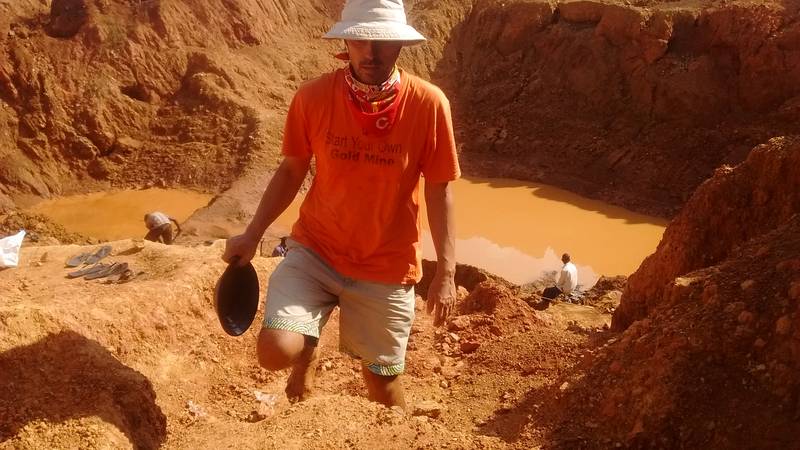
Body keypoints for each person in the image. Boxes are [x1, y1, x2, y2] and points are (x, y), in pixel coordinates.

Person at [222, 0, 459, 409]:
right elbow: (291, 171)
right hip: (317, 250)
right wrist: (252, 233)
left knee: (383, 392)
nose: (371, 52)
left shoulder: (429, 104)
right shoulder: (313, 98)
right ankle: (308, 347)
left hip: (386, 265)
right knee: (276, 350)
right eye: (360, 39)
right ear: (345, 42)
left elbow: (439, 191)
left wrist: (447, 272)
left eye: (382, 41)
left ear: (401, 44)